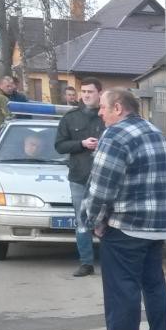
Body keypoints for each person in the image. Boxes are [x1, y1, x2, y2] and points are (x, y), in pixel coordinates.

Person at [84, 88, 166, 330]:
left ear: (118, 108)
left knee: (122, 288)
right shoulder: (154, 132)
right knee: (154, 285)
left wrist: (91, 221)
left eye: (103, 107)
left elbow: (101, 188)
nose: (99, 113)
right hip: (157, 225)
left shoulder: (115, 136)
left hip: (126, 225)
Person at [55, 78, 104, 277]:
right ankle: (86, 263)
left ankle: (110, 260)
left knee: (108, 220)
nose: (86, 95)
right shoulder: (71, 118)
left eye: (90, 91)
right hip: (79, 177)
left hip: (104, 178)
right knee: (82, 220)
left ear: (99, 93)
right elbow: (59, 146)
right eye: (83, 91)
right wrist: (81, 144)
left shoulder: (107, 115)